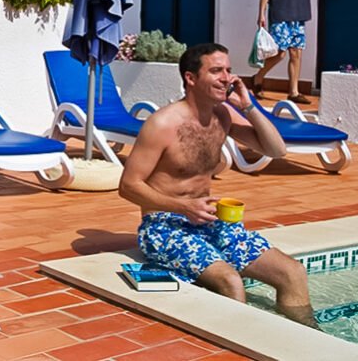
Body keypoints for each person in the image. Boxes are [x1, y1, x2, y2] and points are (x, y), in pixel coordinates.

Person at [119, 43, 318, 328]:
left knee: (293, 272)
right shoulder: (162, 124)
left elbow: (277, 150)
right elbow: (128, 186)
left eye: (228, 70)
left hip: (210, 223)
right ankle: (242, 346)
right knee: (231, 281)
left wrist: (248, 106)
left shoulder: (222, 116)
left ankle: (311, 340)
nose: (227, 78)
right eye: (216, 71)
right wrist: (183, 206)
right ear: (191, 78)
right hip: (164, 226)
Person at [253, 0, 331, 104]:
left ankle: (293, 92)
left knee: (296, 55)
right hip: (280, 17)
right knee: (280, 54)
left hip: (299, 18)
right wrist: (261, 14)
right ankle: (258, 78)